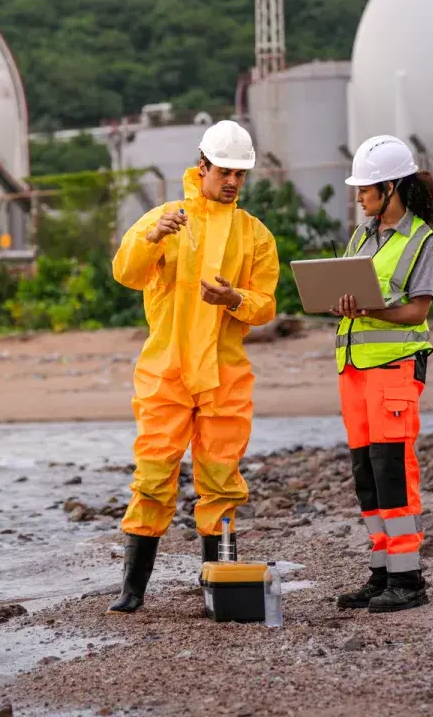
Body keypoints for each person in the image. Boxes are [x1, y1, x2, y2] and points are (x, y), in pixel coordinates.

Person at [108, 120, 280, 613]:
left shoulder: (255, 235)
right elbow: (126, 272)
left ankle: (220, 588)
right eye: (224, 171)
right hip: (167, 372)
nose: (231, 182)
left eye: (239, 175)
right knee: (153, 476)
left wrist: (234, 299)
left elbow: (267, 305)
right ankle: (132, 591)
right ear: (202, 166)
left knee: (222, 482)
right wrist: (150, 240)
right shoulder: (165, 218)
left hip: (225, 374)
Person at [333, 135, 433, 614]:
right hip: (354, 367)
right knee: (365, 472)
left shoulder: (422, 240)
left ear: (393, 186)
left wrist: (373, 307)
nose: (359, 196)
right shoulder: (362, 235)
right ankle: (381, 574)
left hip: (394, 368)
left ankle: (408, 579)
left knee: (392, 466)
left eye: (366, 188)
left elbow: (417, 311)